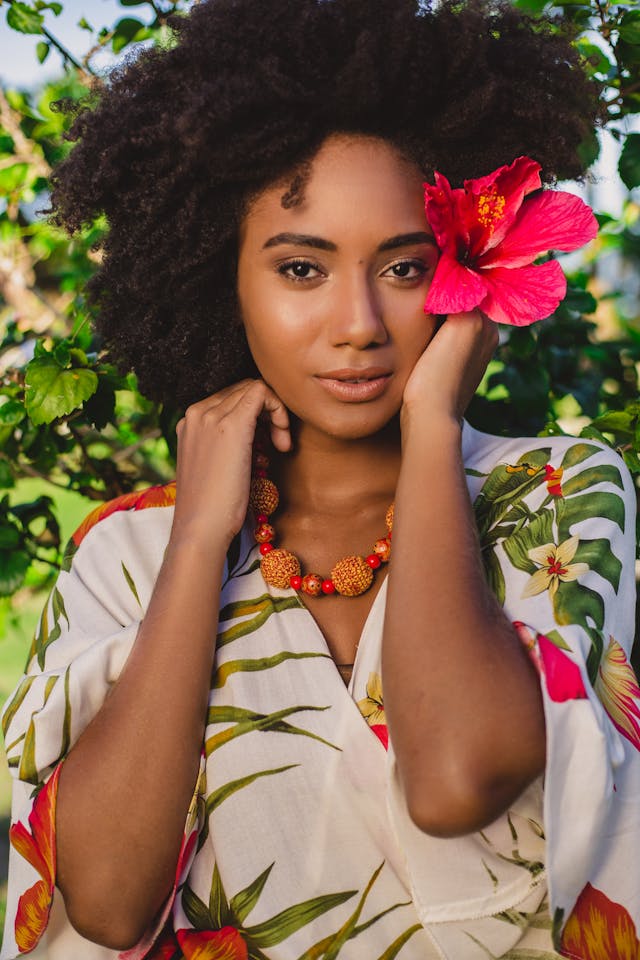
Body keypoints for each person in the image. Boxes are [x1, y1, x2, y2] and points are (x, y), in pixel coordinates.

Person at [2, 1, 639, 958]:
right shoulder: (126, 554)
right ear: (223, 276)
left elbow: (455, 779)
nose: (358, 324)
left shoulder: (555, 492)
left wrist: (434, 426)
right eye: (302, 269)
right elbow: (105, 902)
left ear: (463, 270)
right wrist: (195, 545)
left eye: (404, 267)